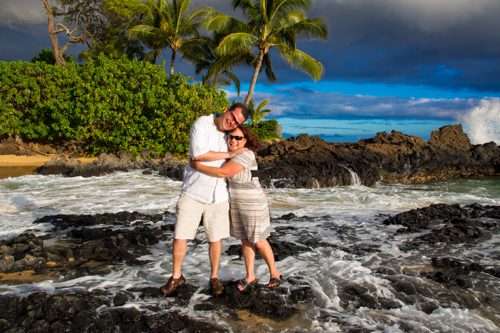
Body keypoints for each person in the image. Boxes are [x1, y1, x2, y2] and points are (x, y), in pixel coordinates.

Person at [160, 102, 249, 297]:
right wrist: (230, 154)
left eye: (237, 122)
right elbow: (197, 154)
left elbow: (241, 147)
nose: (232, 122)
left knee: (215, 239)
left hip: (219, 195)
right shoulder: (202, 123)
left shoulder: (232, 135)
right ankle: (176, 276)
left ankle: (214, 277)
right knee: (180, 235)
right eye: (232, 117)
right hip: (193, 191)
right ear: (226, 110)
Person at [192, 125, 282, 292]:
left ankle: (275, 273)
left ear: (245, 140)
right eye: (231, 137)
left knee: (260, 241)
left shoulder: (246, 154)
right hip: (238, 204)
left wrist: (197, 166)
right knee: (246, 241)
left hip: (253, 204)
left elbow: (223, 173)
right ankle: (250, 276)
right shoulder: (230, 154)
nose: (233, 140)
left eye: (238, 138)